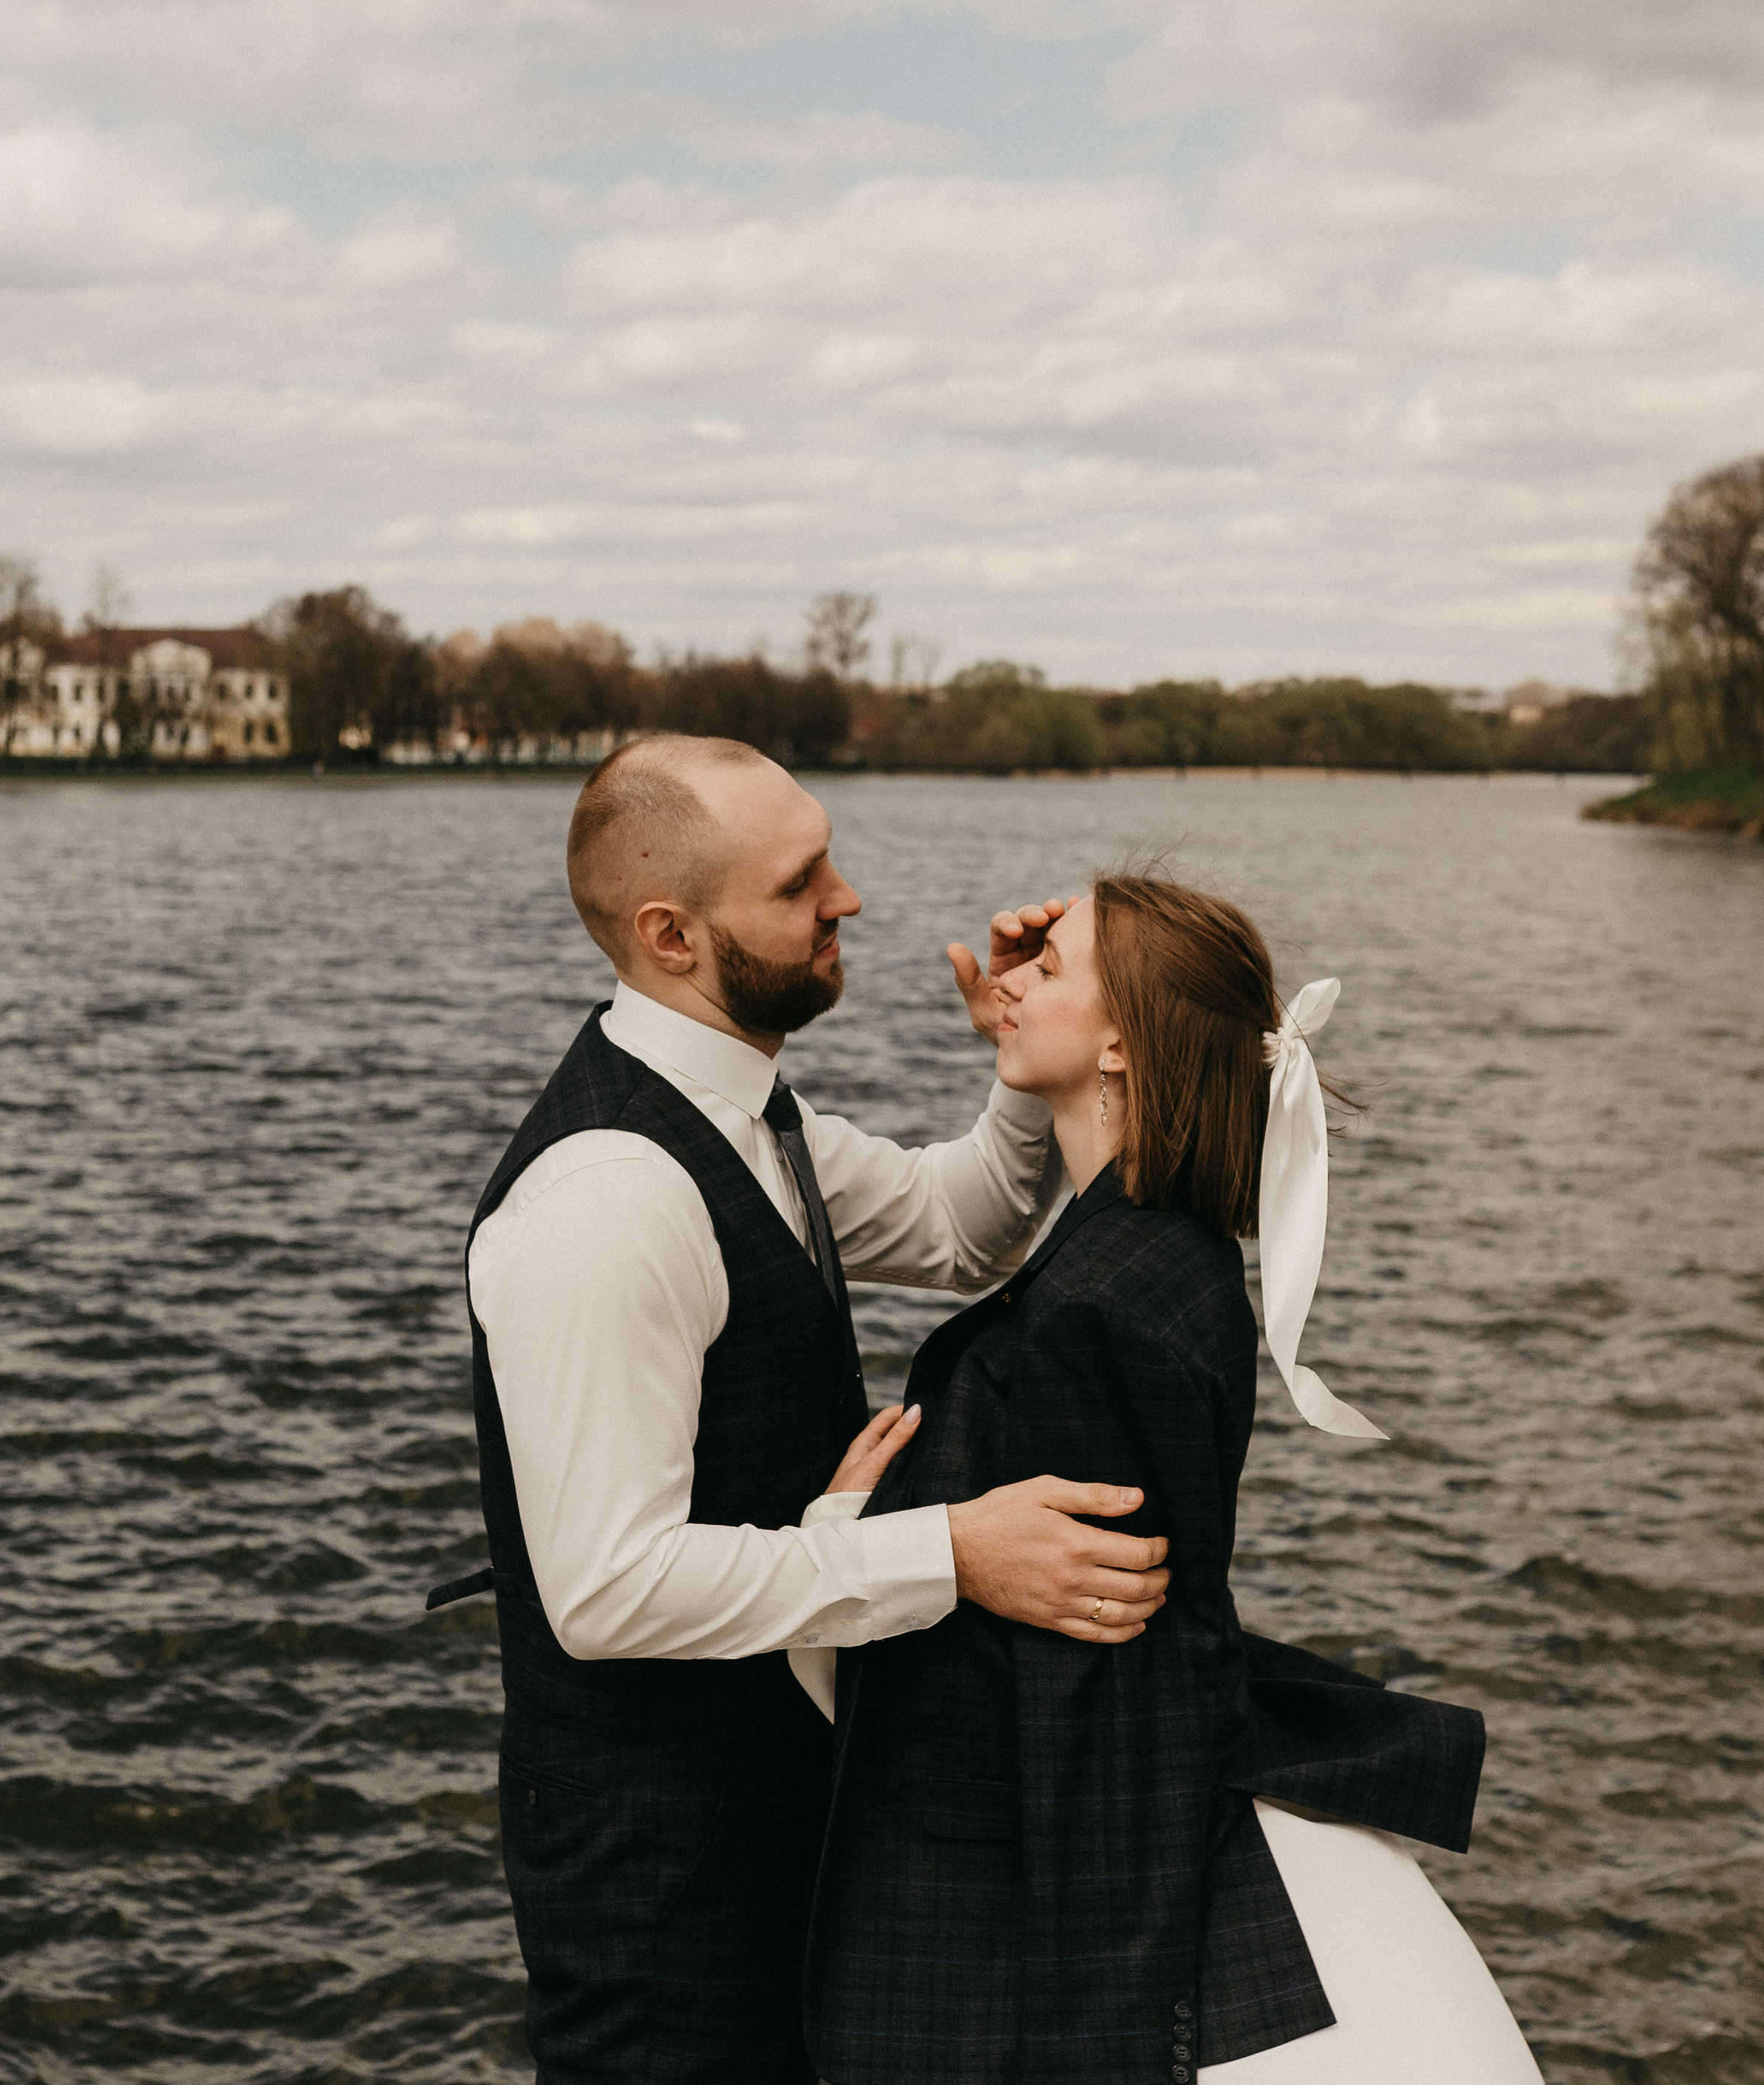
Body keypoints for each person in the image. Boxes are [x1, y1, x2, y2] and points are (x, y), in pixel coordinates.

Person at [446, 735, 1175, 2085]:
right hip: (658, 1870)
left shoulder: (743, 1112)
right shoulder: (607, 1198)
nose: (848, 898)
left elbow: (964, 1231)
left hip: (783, 1803)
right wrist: (954, 1555)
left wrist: (1021, 1057)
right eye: (801, 883)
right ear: (673, 935)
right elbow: (605, 1591)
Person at [805, 874, 1544, 2085]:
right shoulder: (1148, 1246)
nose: (1015, 975)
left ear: (1121, 1043)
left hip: (977, 1914)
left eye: (1055, 967)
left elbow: (1113, 1709)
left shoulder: (1106, 1310)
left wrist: (852, 1523)